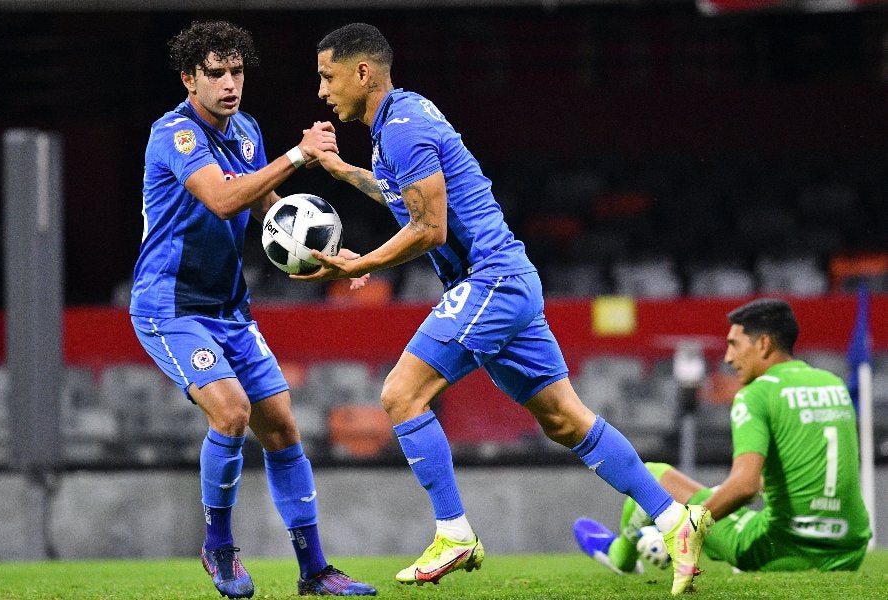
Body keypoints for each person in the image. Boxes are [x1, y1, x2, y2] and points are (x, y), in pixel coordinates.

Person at [292, 22, 711, 595]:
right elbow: (403, 196)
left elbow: (430, 228)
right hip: (508, 281)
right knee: (565, 419)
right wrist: (342, 173)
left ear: (362, 72)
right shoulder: (401, 120)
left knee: (400, 394)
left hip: (489, 280)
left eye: (327, 75)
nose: (322, 90)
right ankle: (674, 519)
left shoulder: (404, 129)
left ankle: (454, 532)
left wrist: (361, 264)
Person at [130, 20, 375, 598]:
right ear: (190, 79)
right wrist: (299, 154)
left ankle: (314, 571)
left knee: (283, 428)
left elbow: (267, 205)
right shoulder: (175, 135)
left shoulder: (245, 129)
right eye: (215, 73)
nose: (229, 83)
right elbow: (222, 199)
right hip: (170, 306)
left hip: (229, 306)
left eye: (236, 71)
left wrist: (328, 254)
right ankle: (218, 548)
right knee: (232, 412)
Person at [574, 298, 872, 580]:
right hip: (850, 549)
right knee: (714, 498)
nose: (728, 358)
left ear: (764, 344)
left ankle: (620, 557)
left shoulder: (756, 394)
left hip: (786, 550)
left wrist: (684, 534)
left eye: (734, 345)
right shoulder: (833, 384)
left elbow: (746, 486)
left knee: (654, 475)